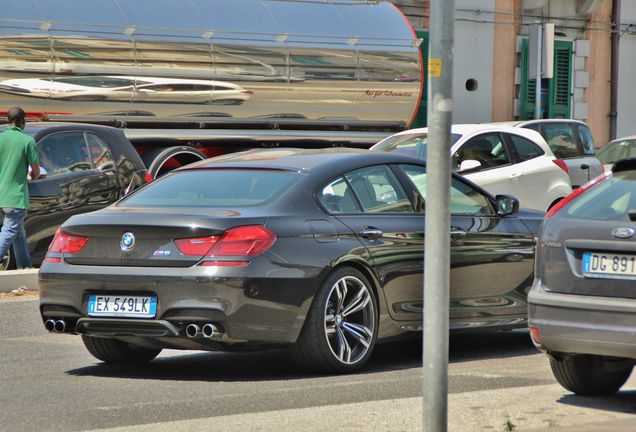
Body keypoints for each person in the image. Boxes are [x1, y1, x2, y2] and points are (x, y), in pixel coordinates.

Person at [0, 107, 40, 269]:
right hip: (16, 198)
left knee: (19, 236)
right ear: (22, 121)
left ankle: (25, 268)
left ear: (8, 120)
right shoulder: (28, 141)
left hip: (1, 196)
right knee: (9, 232)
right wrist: (32, 176)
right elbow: (36, 172)